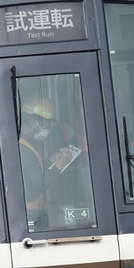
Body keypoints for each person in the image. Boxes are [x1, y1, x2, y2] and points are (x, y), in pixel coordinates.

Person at [18, 96, 85, 230]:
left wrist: (52, 161)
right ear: (32, 122)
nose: (47, 128)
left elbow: (34, 170)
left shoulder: (27, 144)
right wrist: (59, 166)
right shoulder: (23, 148)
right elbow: (36, 185)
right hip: (30, 213)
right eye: (45, 124)